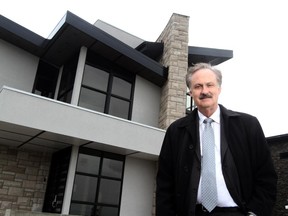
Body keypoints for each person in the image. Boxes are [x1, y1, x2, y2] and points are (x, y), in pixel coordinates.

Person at [156, 62, 277, 216]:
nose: (204, 91)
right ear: (190, 92)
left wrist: (255, 212)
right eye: (198, 86)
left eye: (209, 85)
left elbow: (266, 176)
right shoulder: (176, 131)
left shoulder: (248, 125)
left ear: (219, 88)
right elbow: (164, 183)